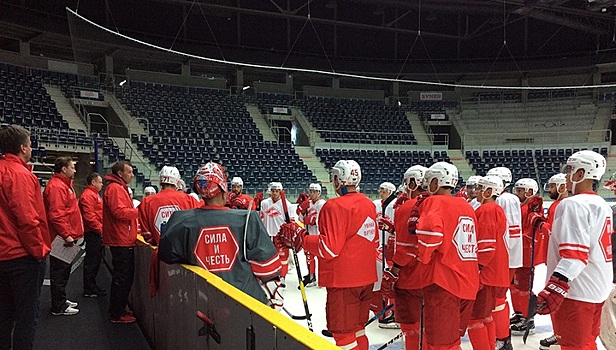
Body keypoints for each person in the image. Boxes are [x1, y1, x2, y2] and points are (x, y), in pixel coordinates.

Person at [278, 159, 378, 350]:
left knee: (344, 338)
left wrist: (302, 237)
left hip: (343, 282)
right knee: (359, 330)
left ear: (338, 179)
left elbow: (329, 248)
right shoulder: (369, 204)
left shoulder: (335, 206)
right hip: (366, 279)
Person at [158, 162, 283, 308]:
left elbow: (166, 254)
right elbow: (268, 268)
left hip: (200, 301)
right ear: (224, 190)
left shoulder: (180, 221)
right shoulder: (248, 219)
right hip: (245, 302)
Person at [383, 162, 479, 350]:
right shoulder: (466, 205)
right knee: (451, 340)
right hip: (468, 282)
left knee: (441, 344)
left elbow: (430, 237)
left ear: (436, 181)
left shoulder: (432, 202)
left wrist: (423, 256)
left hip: (443, 282)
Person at [534, 150, 612, 350]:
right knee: (587, 342)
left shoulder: (572, 204)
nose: (567, 175)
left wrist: (555, 286)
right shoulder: (601, 203)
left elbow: (575, 256)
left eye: (570, 170)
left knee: (573, 346)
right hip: (597, 287)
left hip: (576, 291)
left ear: (580, 174)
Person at [0, 125, 50, 350]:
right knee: (26, 317)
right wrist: (38, 251)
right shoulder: (20, 175)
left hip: (4, 255)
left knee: (4, 314)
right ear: (22, 148)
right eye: (30, 144)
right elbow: (27, 220)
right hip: (21, 256)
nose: (31, 148)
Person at [381, 164, 427, 350]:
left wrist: (392, 273)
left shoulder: (407, 206)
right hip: (436, 279)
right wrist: (393, 228)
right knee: (431, 329)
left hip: (411, 278)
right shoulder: (438, 203)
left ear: (413, 183)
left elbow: (407, 249)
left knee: (412, 327)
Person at [467, 175, 510, 350]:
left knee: (475, 318)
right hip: (493, 271)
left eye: (480, 188)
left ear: (489, 191)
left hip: (486, 273)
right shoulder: (494, 209)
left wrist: (476, 269)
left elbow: (486, 245)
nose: (476, 191)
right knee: (486, 316)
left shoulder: (487, 210)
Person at [485, 166, 522, 350]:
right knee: (495, 301)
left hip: (503, 260)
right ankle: (500, 336)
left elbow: (512, 233)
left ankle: (503, 338)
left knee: (498, 300)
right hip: (501, 259)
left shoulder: (507, 199)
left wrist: (500, 258)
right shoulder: (500, 200)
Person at [43, 157, 84, 316]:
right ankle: (58, 306)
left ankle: (60, 300)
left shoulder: (63, 186)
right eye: (72, 167)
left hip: (64, 236)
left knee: (63, 271)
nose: (74, 170)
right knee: (60, 272)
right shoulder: (57, 187)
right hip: (60, 238)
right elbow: (56, 214)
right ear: (64, 169)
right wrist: (66, 234)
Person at [103, 160, 139, 324]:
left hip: (122, 238)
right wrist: (138, 211)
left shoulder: (116, 188)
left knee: (123, 278)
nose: (132, 175)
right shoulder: (116, 189)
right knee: (122, 278)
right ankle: (116, 313)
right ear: (120, 173)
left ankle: (118, 309)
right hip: (121, 240)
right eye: (129, 172)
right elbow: (119, 212)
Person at [536, 173, 568, 350]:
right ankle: (560, 332)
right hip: (557, 259)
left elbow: (554, 232)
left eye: (554, 186)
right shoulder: (558, 205)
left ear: (562, 187)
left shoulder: (560, 205)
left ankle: (560, 333)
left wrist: (540, 223)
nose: (550, 189)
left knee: (557, 298)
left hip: (559, 261)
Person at [138, 166, 201, 245]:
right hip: (185, 252)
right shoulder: (189, 200)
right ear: (177, 181)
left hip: (162, 251)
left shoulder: (146, 202)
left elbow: (147, 235)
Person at [509, 178, 540, 335]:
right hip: (517, 254)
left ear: (530, 192)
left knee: (525, 288)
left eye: (521, 190)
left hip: (527, 254)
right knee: (514, 286)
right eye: (517, 189)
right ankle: (520, 313)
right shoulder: (519, 206)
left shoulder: (533, 207)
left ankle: (529, 319)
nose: (517, 193)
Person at [260, 182, 292, 287]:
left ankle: (282, 276)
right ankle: (271, 275)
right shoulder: (264, 203)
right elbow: (261, 218)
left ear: (281, 192)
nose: (274, 193)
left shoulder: (287, 205)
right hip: (268, 234)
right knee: (269, 257)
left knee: (283, 258)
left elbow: (291, 222)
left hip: (280, 235)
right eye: (273, 191)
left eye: (277, 191)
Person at [79, 172, 106, 298]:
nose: (101, 184)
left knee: (94, 261)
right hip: (93, 233)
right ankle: (89, 287)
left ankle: (91, 285)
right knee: (92, 261)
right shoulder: (89, 196)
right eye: (100, 182)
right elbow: (90, 217)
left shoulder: (93, 195)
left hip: (95, 231)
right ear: (93, 182)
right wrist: (100, 230)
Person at [296, 183, 326, 287]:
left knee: (321, 258)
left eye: (314, 192)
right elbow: (300, 219)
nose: (312, 194)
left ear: (319, 192)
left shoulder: (322, 203)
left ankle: (323, 278)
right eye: (311, 191)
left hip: (318, 234)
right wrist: (301, 210)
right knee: (309, 256)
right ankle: (311, 276)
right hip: (308, 234)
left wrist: (313, 220)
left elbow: (323, 218)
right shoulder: (308, 203)